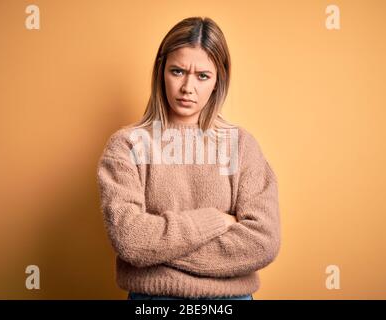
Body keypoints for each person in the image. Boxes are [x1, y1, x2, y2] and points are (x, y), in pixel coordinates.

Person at [96, 16, 281, 300]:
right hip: (154, 303)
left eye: (202, 76)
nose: (187, 88)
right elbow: (130, 239)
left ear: (218, 81)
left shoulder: (241, 146)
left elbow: (263, 242)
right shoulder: (127, 146)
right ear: (161, 72)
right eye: (178, 71)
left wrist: (155, 249)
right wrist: (217, 220)